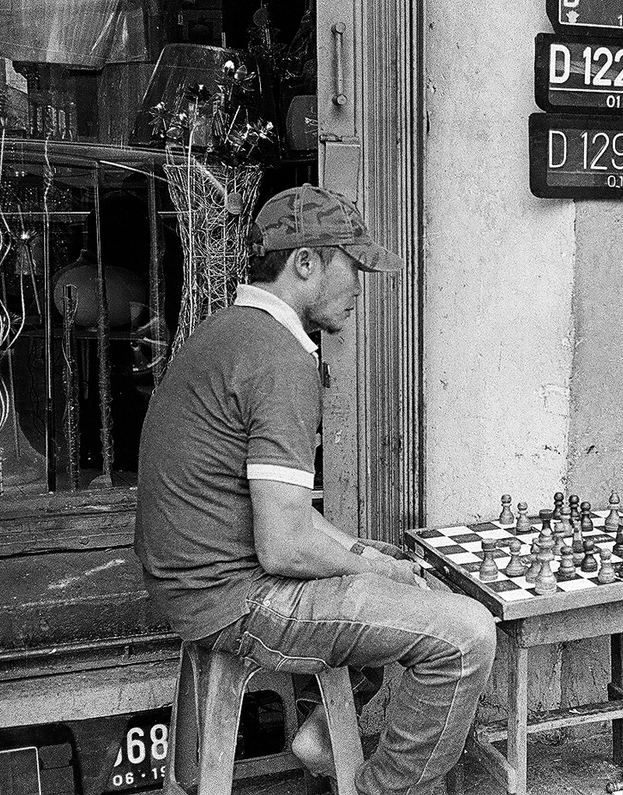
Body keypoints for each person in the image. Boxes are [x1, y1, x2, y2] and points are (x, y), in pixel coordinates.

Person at [135, 184, 497, 795]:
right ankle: (380, 789)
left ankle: (322, 736)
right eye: (352, 268)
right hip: (235, 597)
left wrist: (366, 556)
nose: (359, 287)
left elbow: (289, 514)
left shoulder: (229, 331)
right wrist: (372, 569)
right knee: (466, 635)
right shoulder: (279, 358)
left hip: (195, 584)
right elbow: (283, 545)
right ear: (305, 262)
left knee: (395, 569)